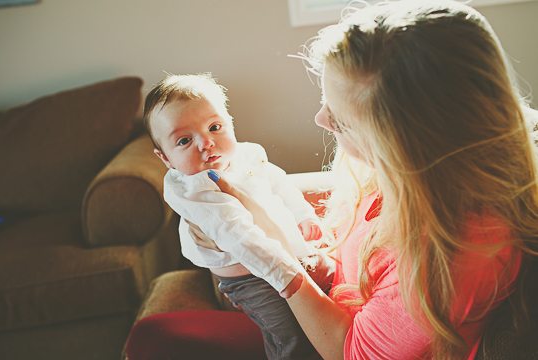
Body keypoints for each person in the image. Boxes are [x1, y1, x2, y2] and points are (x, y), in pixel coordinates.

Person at [194, 1, 538, 359]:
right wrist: (269, 220)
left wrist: (278, 261)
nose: (320, 118)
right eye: (326, 99)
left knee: (158, 336)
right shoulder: (407, 172)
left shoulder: (448, 259)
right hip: (325, 294)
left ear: (402, 145)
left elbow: (350, 352)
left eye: (341, 120)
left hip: (330, 336)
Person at [142, 73, 333, 360]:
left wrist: (303, 215)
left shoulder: (247, 155)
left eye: (215, 127)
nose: (206, 143)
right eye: (184, 140)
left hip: (285, 250)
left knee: (332, 281)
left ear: (230, 121)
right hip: (249, 278)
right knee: (289, 332)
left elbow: (279, 182)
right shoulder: (198, 192)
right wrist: (289, 278)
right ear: (166, 158)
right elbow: (243, 238)